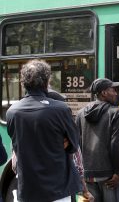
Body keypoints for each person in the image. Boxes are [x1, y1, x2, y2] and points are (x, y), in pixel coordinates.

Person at [6, 59, 81, 202]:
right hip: (58, 189)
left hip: (28, 190)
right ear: (47, 82)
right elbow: (74, 144)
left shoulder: (12, 112)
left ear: (23, 83)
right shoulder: (61, 109)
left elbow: (17, 145)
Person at [76, 78, 119, 202]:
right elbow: (116, 145)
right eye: (113, 90)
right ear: (104, 93)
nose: (116, 93)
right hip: (109, 176)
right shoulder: (116, 112)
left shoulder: (80, 113)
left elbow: (76, 145)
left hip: (87, 175)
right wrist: (118, 172)